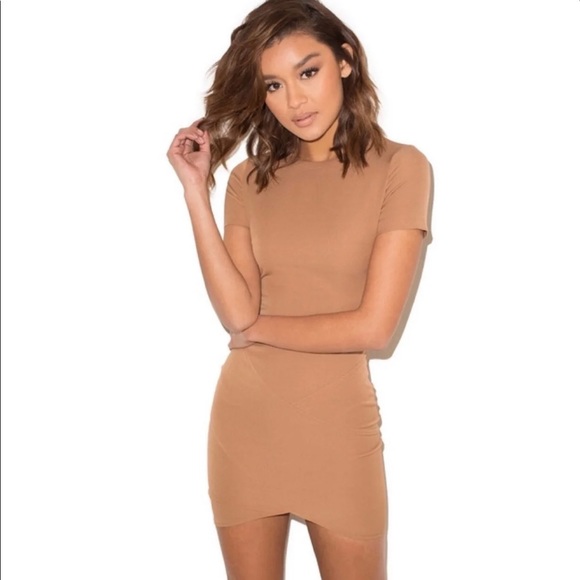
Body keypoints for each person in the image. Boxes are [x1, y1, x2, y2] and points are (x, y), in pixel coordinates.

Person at [167, 0, 431, 577]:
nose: (295, 100)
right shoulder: (247, 180)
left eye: (308, 72)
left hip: (338, 430)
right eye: (274, 85)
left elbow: (374, 327)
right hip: (246, 422)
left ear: (345, 61)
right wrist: (195, 192)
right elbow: (236, 309)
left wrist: (258, 330)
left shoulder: (402, 168)